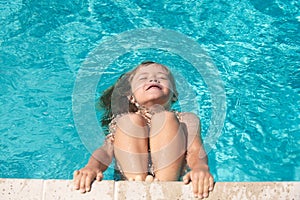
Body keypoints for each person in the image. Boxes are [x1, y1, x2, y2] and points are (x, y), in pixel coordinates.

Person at [73, 61, 214, 198]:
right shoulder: (121, 122)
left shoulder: (186, 119)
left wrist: (200, 168)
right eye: (143, 78)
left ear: (174, 94)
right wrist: (92, 167)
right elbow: (105, 150)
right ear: (131, 96)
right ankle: (136, 184)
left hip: (169, 182)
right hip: (131, 182)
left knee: (166, 119)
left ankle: (164, 186)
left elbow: (195, 150)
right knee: (130, 121)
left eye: (162, 77)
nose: (153, 79)